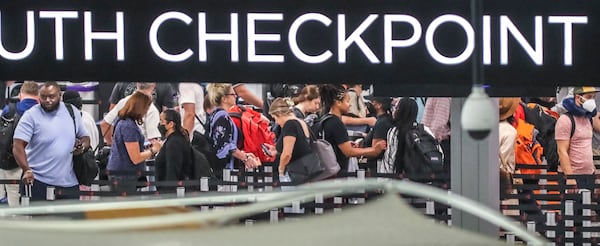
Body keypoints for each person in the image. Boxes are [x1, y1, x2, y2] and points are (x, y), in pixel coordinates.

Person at [13, 82, 90, 201]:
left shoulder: (72, 112)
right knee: (42, 220)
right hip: (39, 181)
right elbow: (18, 145)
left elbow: (85, 137)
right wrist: (26, 169)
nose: (47, 100)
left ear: (59, 95)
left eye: (52, 96)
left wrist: (82, 147)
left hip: (69, 183)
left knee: (72, 219)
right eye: (43, 97)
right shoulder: (31, 115)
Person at [318, 84, 386, 174]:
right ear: (338, 102)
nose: (350, 105)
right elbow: (349, 152)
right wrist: (373, 150)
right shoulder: (336, 123)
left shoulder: (326, 119)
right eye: (347, 101)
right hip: (337, 174)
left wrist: (346, 143)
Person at [106, 91, 163, 194]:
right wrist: (154, 150)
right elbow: (135, 158)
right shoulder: (128, 126)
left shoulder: (124, 122)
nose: (146, 112)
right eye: (146, 108)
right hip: (124, 176)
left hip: (122, 173)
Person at [206, 83, 260, 173]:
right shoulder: (222, 117)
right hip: (222, 170)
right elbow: (225, 145)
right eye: (233, 94)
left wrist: (243, 154)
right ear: (224, 99)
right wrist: (245, 158)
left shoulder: (218, 115)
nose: (236, 96)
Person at [0, 81, 38, 206]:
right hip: (37, 162)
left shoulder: (9, 109)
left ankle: (16, 222)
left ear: (21, 95)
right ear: (38, 95)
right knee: (38, 197)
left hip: (12, 161)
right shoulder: (42, 111)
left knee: (13, 196)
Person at [556, 86, 600, 193]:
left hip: (588, 175)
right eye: (589, 97)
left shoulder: (588, 119)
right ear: (578, 98)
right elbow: (562, 151)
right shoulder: (565, 120)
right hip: (573, 175)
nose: (592, 101)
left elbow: (587, 149)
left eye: (594, 97)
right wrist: (570, 177)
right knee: (571, 208)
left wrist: (596, 176)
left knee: (587, 209)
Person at [264, 98, 313, 183]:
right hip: (306, 172)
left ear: (279, 113)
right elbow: (299, 146)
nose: (277, 122)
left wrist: (281, 170)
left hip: (294, 174)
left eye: (275, 118)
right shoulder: (301, 122)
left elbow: (287, 154)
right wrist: (276, 149)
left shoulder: (289, 124)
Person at [154, 109, 192, 192]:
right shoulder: (172, 140)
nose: (159, 124)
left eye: (162, 121)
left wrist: (169, 193)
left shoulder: (174, 143)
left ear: (170, 124)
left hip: (171, 192)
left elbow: (173, 171)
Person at [363, 96, 394, 172]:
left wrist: (357, 152)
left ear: (379, 105)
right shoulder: (385, 120)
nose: (370, 105)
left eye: (373, 102)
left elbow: (376, 150)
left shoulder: (382, 123)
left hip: (377, 167)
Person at [421, 97, 451, 171]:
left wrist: (427, 143)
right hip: (431, 142)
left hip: (437, 144)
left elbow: (438, 124)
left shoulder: (442, 96)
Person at [108, 82, 176, 112]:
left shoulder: (164, 85)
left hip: (154, 131)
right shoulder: (121, 83)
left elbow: (167, 113)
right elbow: (113, 109)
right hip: (128, 130)